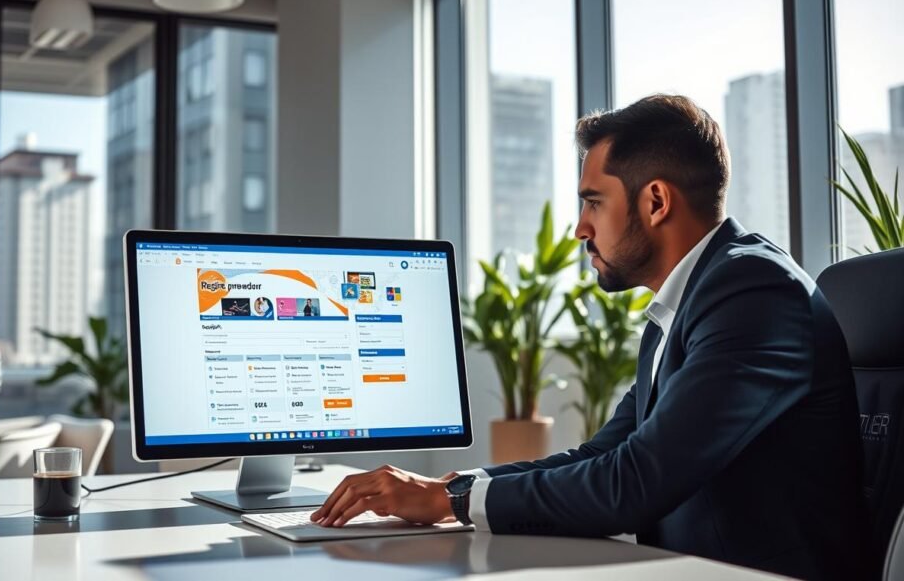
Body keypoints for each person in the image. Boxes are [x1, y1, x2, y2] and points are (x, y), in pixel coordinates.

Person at [311, 95, 867, 580]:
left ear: (655, 201)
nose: (580, 227)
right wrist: (451, 485)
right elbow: (603, 453)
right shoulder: (692, 299)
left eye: (592, 200)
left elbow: (633, 483)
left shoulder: (753, 293)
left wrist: (449, 501)